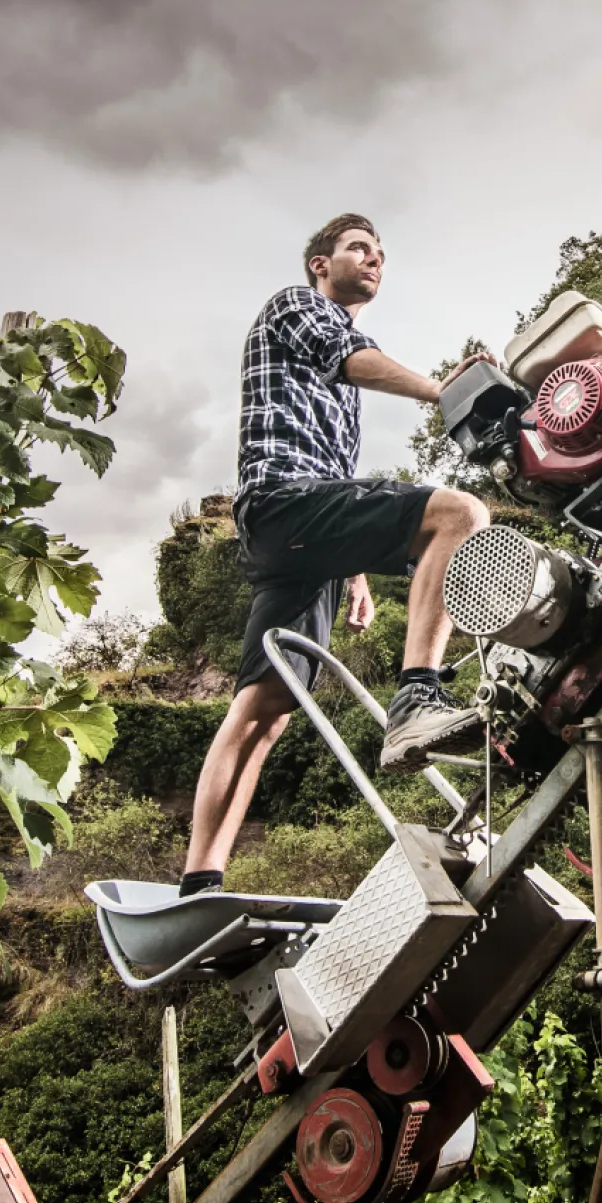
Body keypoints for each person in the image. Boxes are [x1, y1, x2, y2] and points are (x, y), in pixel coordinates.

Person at [177, 213, 492, 897]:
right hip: (280, 500)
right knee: (461, 515)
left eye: (381, 254)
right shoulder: (297, 306)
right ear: (321, 263)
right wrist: (445, 390)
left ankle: (199, 881)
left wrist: (354, 574)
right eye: (359, 249)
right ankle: (417, 696)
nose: (374, 260)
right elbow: (349, 358)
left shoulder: (342, 398)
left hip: (301, 535)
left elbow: (338, 477)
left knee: (265, 710)